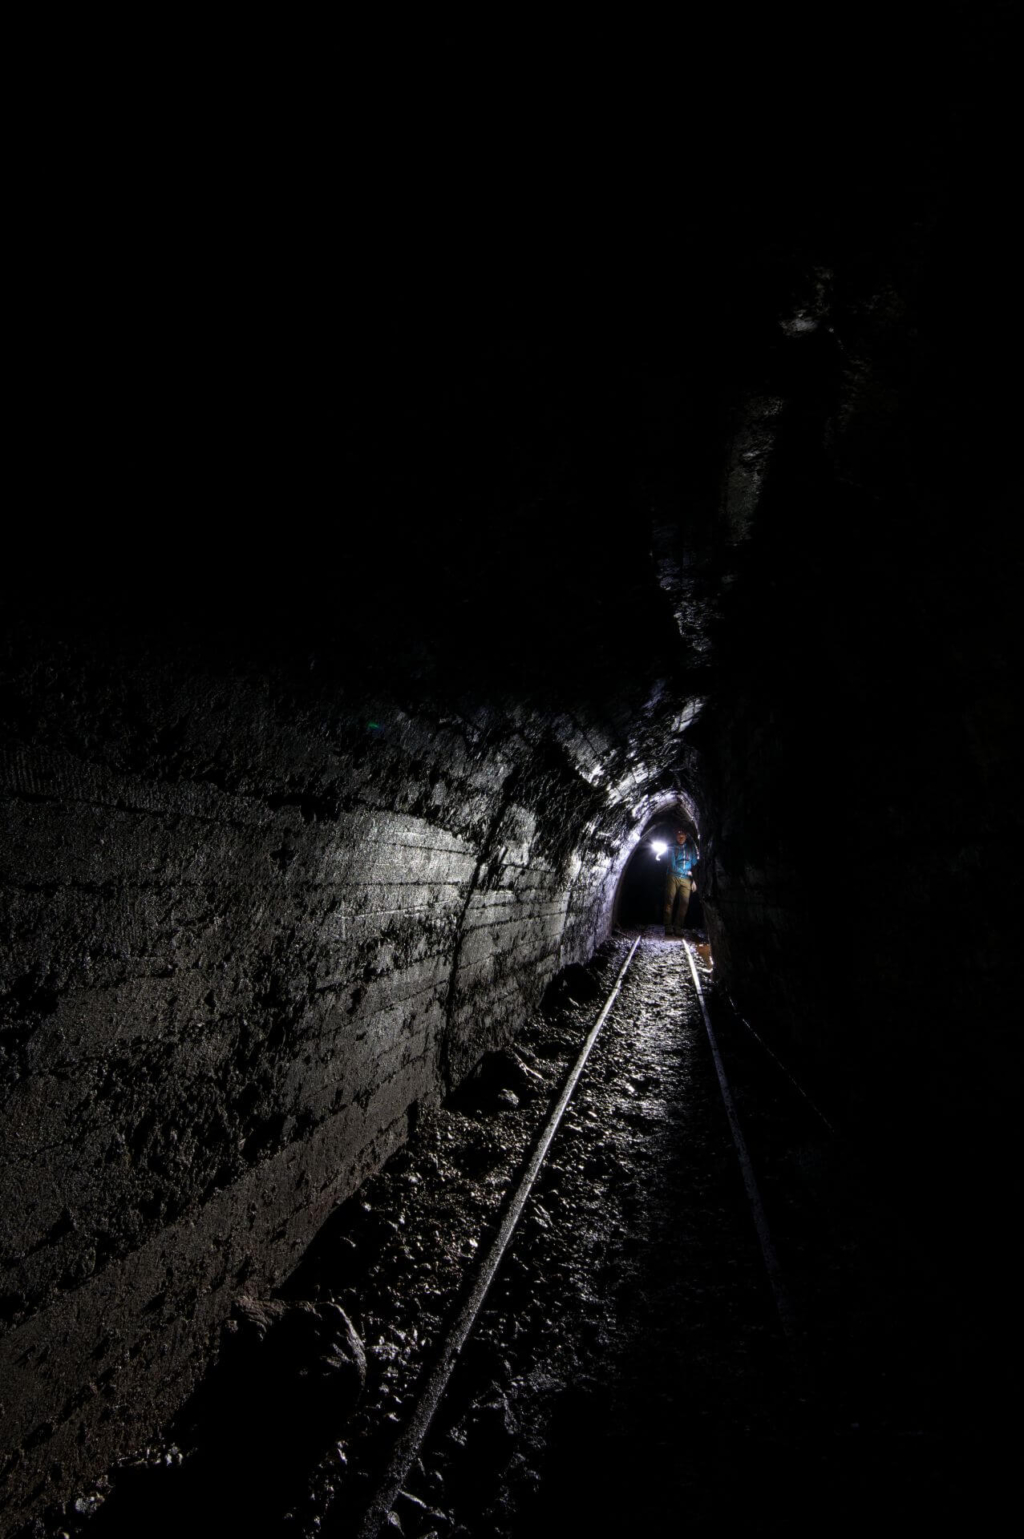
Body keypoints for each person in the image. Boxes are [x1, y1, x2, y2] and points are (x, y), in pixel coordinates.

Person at [664, 827, 698, 936]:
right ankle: (668, 926)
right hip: (673, 876)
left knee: (684, 902)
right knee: (669, 901)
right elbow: (672, 865)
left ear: (686, 835)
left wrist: (695, 880)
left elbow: (694, 864)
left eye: (682, 833)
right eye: (678, 833)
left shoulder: (691, 848)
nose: (680, 836)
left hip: (686, 879)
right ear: (675, 835)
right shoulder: (671, 847)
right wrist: (686, 872)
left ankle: (678, 927)